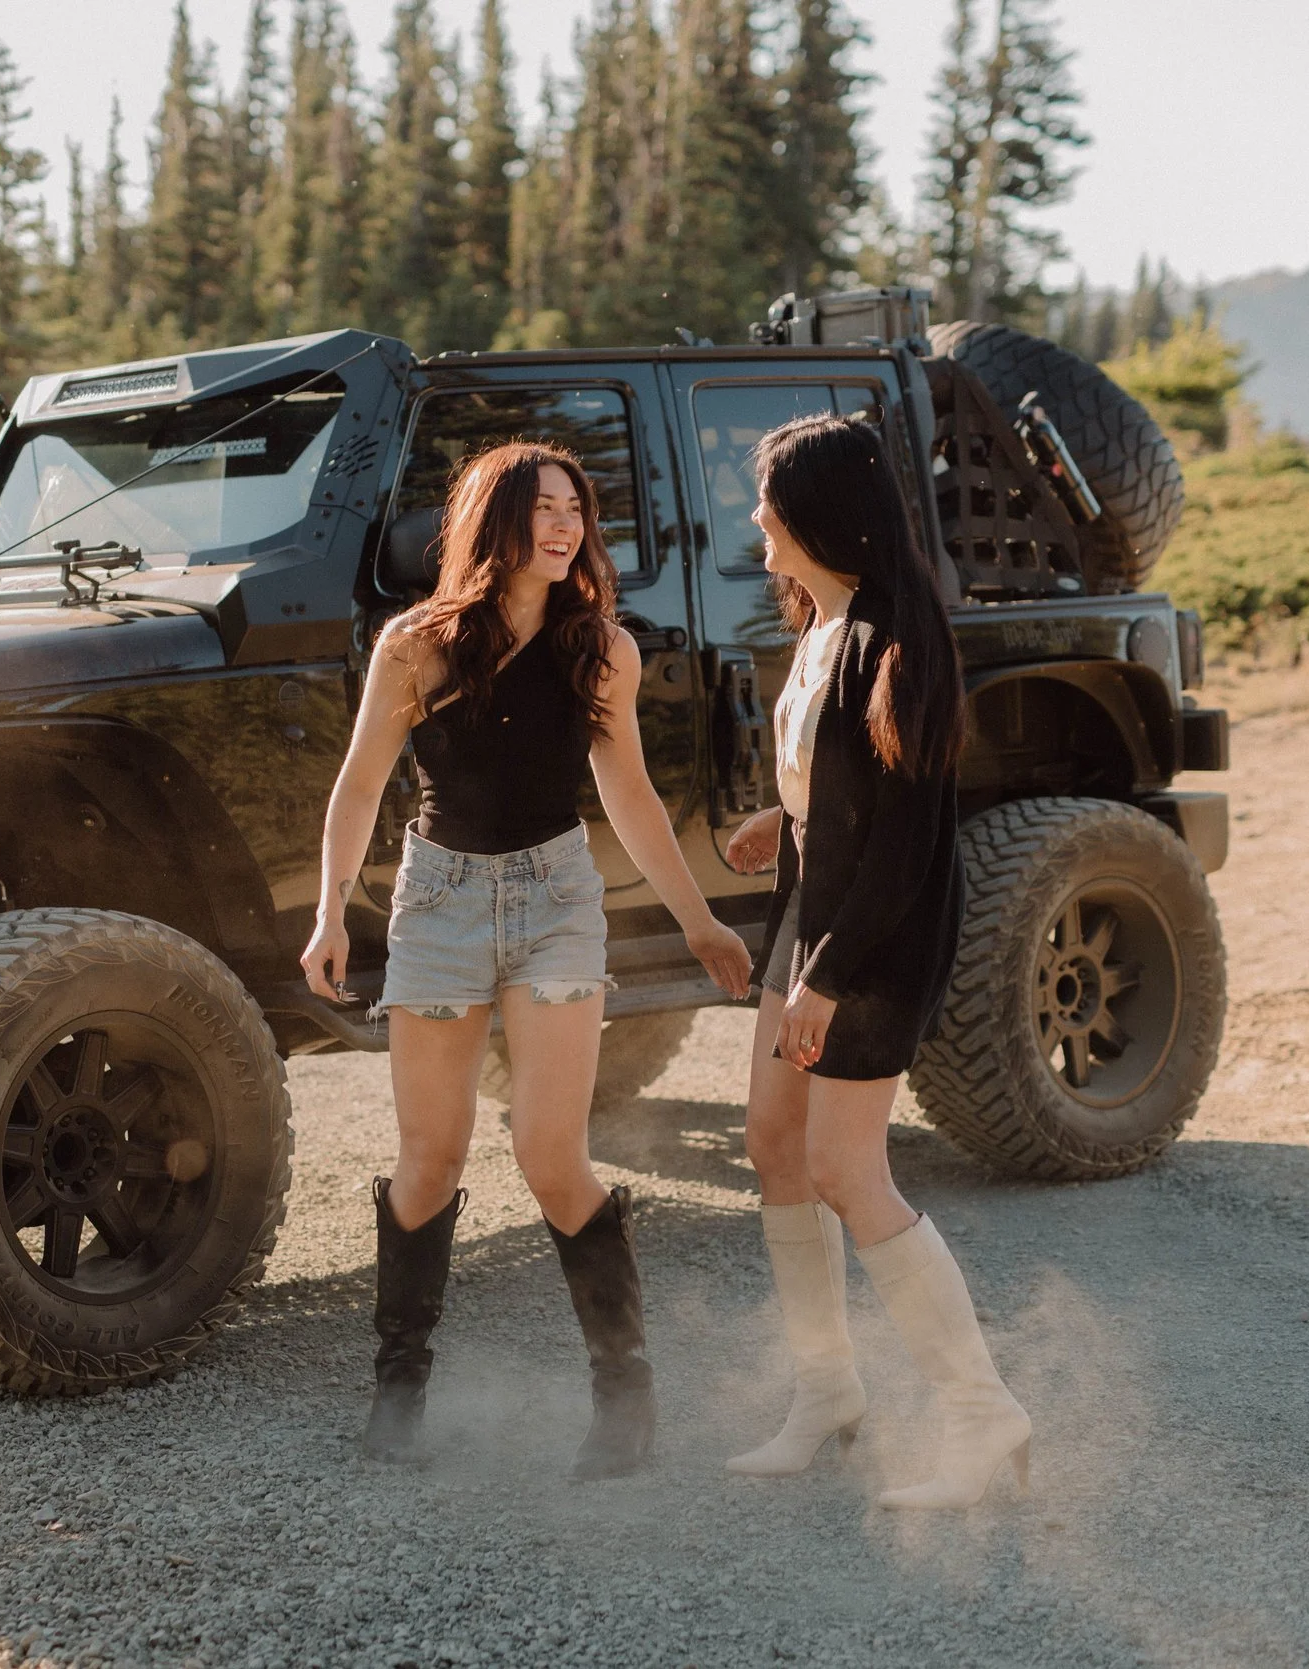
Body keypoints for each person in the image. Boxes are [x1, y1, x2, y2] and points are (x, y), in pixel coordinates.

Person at [302, 440, 751, 1478]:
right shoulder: (415, 646)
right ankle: (398, 1393)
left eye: (575, 510)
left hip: (555, 903)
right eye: (542, 508)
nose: (564, 527)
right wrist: (330, 914)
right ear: (492, 523)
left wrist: (697, 920)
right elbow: (360, 783)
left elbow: (629, 796)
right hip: (439, 905)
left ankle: (623, 1398)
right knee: (432, 1157)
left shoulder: (601, 649)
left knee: (552, 1157)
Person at [719, 410, 1031, 1509]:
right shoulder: (821, 625)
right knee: (772, 1142)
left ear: (815, 514)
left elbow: (904, 843)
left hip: (872, 939)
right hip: (811, 917)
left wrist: (826, 980)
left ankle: (982, 1416)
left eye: (768, 498)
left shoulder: (892, 640)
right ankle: (826, 1393)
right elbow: (845, 786)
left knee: (848, 1171)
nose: (753, 513)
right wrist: (781, 814)